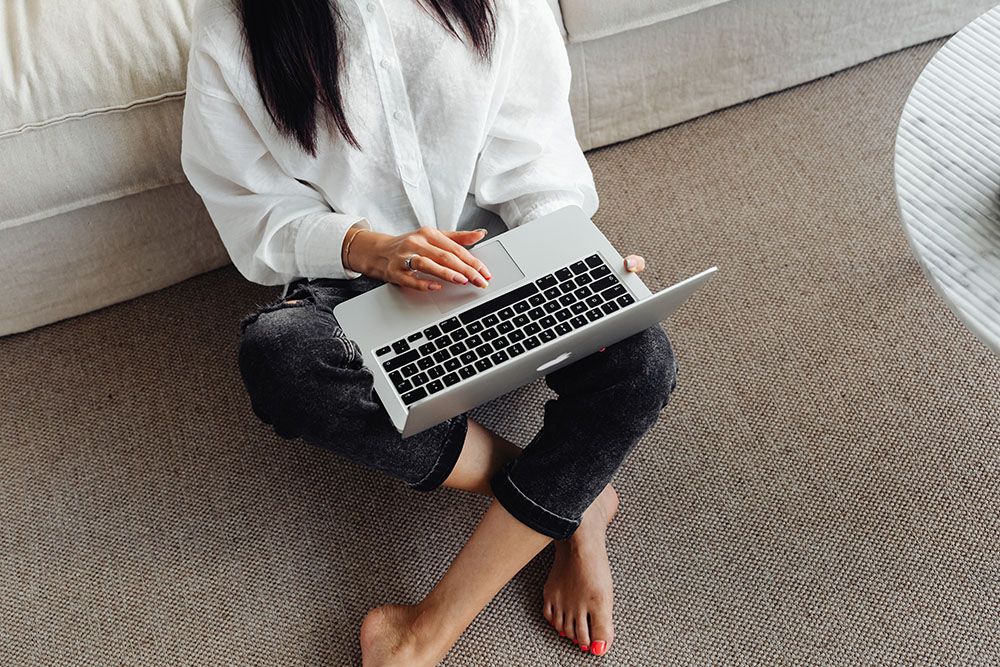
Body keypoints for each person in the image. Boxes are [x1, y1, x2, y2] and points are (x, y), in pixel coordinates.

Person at [181, 0, 677, 663]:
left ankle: (425, 630)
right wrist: (371, 248)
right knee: (282, 360)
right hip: (357, 277)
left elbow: (534, 159)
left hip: (499, 260)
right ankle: (571, 495)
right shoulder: (233, 26)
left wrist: (579, 258)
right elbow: (256, 212)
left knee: (640, 358)